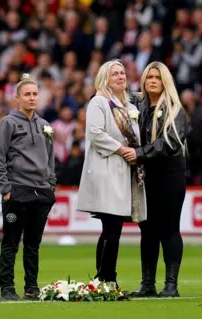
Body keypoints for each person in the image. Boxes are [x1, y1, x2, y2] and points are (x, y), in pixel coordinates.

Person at [76, 60, 146, 285]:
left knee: (111, 228)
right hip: (106, 171)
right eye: (114, 73)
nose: (120, 76)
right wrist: (122, 148)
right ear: (105, 79)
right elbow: (95, 134)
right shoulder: (99, 102)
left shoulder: (131, 107)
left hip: (124, 173)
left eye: (123, 72)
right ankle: (107, 278)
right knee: (112, 227)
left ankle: (103, 278)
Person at [124, 61, 189, 298]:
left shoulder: (175, 109)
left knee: (169, 229)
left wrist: (139, 154)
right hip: (145, 176)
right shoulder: (136, 105)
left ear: (165, 82)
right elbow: (109, 94)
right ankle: (147, 283)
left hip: (170, 176)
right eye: (149, 77)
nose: (152, 81)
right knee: (147, 230)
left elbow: (171, 143)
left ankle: (171, 285)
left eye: (157, 77)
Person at [0, 73, 56, 301]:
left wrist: (51, 186)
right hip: (17, 191)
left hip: (41, 192)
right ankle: (7, 289)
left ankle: (31, 288)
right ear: (17, 98)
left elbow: (50, 159)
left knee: (33, 245)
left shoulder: (45, 125)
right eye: (27, 94)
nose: (31, 98)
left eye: (35, 94)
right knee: (10, 243)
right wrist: (6, 189)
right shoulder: (7, 123)